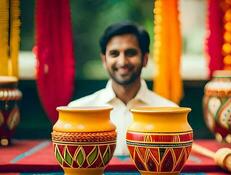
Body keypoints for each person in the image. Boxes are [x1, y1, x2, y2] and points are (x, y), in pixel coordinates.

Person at [69, 21, 177, 155]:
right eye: (114, 54)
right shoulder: (77, 111)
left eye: (131, 53)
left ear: (145, 59)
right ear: (104, 60)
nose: (122, 62)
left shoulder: (169, 112)